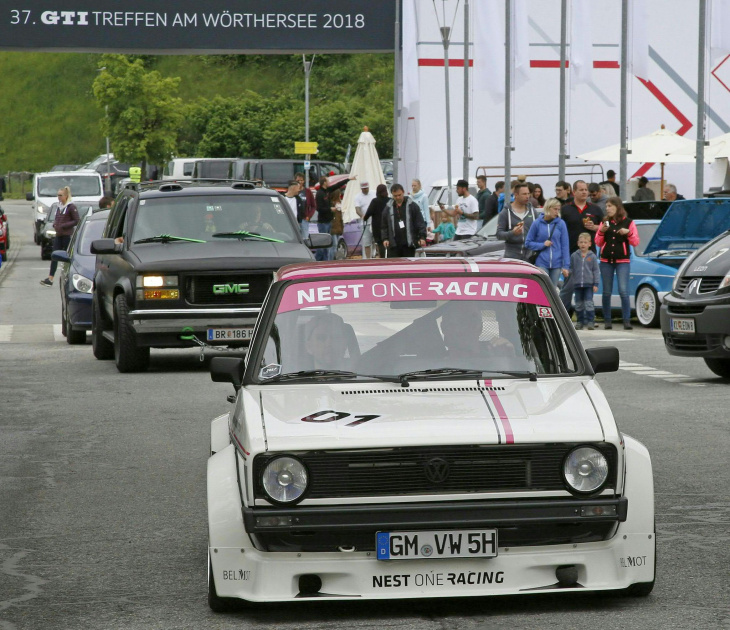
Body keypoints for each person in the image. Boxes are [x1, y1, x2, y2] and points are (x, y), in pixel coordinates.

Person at [594, 197, 640, 330]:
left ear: (617, 207)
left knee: (623, 291)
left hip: (622, 261)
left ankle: (627, 320)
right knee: (607, 291)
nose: (607, 208)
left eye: (609, 206)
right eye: (606, 206)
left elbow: (635, 241)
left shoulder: (629, 222)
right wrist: (602, 231)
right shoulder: (605, 222)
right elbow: (598, 242)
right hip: (606, 261)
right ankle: (607, 320)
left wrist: (628, 233)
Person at [559, 180, 604, 312]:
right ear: (574, 192)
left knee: (588, 287)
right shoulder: (566, 209)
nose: (585, 192)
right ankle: (563, 314)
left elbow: (607, 225)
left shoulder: (595, 209)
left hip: (589, 254)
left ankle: (586, 316)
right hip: (571, 254)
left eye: (586, 190)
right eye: (581, 190)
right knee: (568, 287)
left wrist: (596, 227)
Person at [525, 198, 570, 286]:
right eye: (555, 209)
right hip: (541, 261)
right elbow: (528, 243)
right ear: (548, 208)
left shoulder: (561, 224)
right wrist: (542, 245)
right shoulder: (537, 223)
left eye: (558, 209)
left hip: (557, 263)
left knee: (552, 289)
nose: (557, 212)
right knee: (543, 287)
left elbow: (565, 245)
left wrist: (566, 266)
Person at [40, 186, 79, 287]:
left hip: (67, 235)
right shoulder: (59, 206)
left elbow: (76, 220)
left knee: (67, 257)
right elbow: (57, 218)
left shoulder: (71, 207)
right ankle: (50, 278)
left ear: (66, 196)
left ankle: (71, 277)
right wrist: (55, 224)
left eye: (60, 195)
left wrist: (64, 225)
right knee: (55, 255)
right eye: (57, 195)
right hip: (59, 234)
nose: (58, 197)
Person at [315, 174, 354, 261]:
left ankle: (326, 261)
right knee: (322, 244)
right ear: (324, 183)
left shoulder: (327, 191)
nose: (329, 182)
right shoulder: (320, 193)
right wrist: (330, 209)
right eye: (327, 181)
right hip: (323, 222)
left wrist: (348, 179)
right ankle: (317, 260)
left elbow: (337, 185)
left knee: (328, 244)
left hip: (329, 221)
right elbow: (319, 208)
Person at [381, 183, 427, 257]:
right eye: (395, 196)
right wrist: (385, 238)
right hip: (394, 245)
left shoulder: (412, 206)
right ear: (392, 195)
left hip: (409, 244)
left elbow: (420, 222)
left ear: (403, 192)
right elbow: (384, 225)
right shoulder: (388, 208)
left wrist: (422, 237)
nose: (398, 197)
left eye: (399, 195)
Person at [496, 182, 538, 261]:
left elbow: (540, 231)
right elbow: (499, 235)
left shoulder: (533, 212)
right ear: (516, 195)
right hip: (512, 256)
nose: (527, 197)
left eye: (528, 194)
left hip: (530, 257)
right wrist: (512, 233)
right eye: (524, 194)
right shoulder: (505, 212)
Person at [570, 233, 600, 330]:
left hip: (588, 284)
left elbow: (596, 270)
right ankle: (580, 321)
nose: (583, 244)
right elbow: (571, 268)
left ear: (589, 244)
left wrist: (596, 283)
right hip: (577, 283)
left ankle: (590, 321)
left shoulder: (592, 256)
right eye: (581, 242)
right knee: (578, 303)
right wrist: (567, 272)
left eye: (585, 242)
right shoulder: (574, 256)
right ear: (578, 243)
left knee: (588, 303)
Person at [364, 184, 389, 258]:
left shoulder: (375, 201)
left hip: (377, 227)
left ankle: (382, 258)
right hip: (388, 226)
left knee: (380, 244)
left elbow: (368, 213)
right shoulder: (390, 201)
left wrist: (365, 218)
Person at [354, 181, 377, 259]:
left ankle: (378, 256)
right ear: (361, 188)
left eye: (366, 188)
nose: (365, 190)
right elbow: (357, 209)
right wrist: (362, 216)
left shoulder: (374, 193)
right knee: (367, 242)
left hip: (374, 221)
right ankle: (368, 258)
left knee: (376, 241)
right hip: (365, 223)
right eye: (364, 189)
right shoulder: (358, 197)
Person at [294, 172, 316, 240]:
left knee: (305, 238)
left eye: (301, 180)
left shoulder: (307, 191)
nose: (300, 182)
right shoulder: (293, 191)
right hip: (295, 219)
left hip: (304, 218)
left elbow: (313, 205)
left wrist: (309, 216)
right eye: (298, 180)